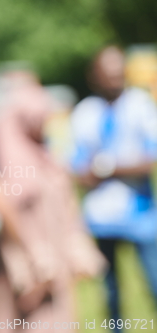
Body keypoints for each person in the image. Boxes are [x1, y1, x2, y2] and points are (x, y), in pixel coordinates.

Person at [0, 69, 105, 333]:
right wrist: (31, 261)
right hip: (30, 269)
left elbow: (68, 207)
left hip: (58, 264)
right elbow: (4, 220)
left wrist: (77, 246)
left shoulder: (46, 155)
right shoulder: (6, 161)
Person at [71, 45, 157, 330]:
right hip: (101, 217)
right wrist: (88, 174)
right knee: (111, 292)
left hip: (139, 214)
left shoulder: (140, 105)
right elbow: (75, 164)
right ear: (95, 76)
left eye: (119, 73)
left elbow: (151, 158)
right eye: (108, 75)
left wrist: (109, 168)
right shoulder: (85, 112)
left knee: (153, 283)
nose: (115, 80)